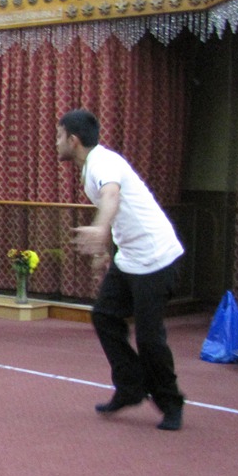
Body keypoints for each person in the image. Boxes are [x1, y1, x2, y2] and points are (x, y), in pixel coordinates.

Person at [56, 108, 186, 431]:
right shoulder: (89, 169)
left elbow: (111, 197)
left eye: (59, 136)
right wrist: (106, 248)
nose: (56, 143)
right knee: (104, 315)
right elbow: (118, 211)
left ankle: (171, 403)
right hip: (129, 259)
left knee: (149, 337)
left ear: (73, 140)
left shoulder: (104, 162)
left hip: (158, 259)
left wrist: (99, 230)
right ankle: (131, 387)